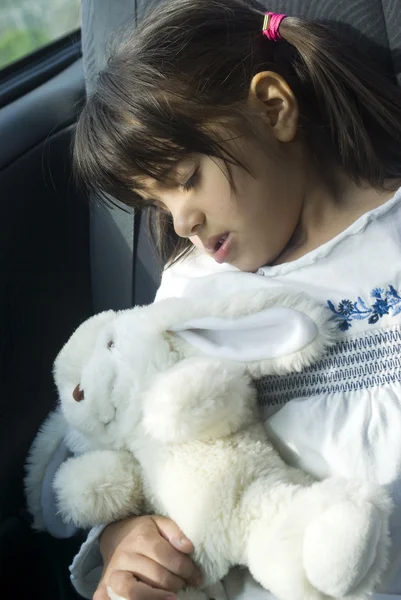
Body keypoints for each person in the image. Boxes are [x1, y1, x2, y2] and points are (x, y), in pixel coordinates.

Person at [53, 0, 401, 598]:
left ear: (274, 108)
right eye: (157, 205)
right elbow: (130, 439)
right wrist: (126, 537)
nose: (181, 220)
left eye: (186, 179)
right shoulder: (192, 288)